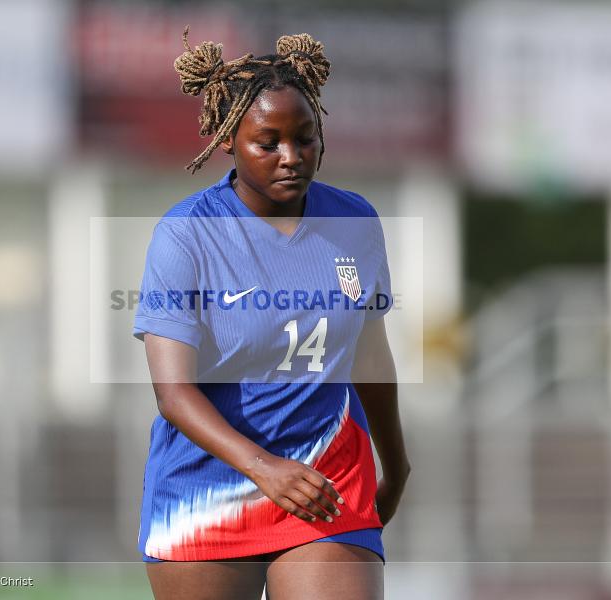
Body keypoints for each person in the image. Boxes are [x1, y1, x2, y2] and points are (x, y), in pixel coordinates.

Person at [132, 28, 410, 600]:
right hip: (204, 493)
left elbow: (370, 353)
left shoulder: (354, 222)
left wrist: (396, 462)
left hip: (326, 480)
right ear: (228, 141)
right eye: (269, 142)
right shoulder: (186, 236)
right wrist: (265, 469)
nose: (292, 157)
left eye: (305, 139)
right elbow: (174, 393)